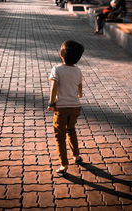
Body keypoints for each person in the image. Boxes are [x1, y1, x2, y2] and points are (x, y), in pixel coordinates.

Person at [48, 40, 84, 175]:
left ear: (61, 54)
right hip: (75, 106)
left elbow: (54, 87)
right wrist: (79, 94)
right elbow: (80, 86)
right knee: (71, 130)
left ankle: (64, 164)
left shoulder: (56, 69)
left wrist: (51, 103)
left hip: (61, 108)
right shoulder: (78, 70)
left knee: (59, 135)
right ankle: (76, 156)